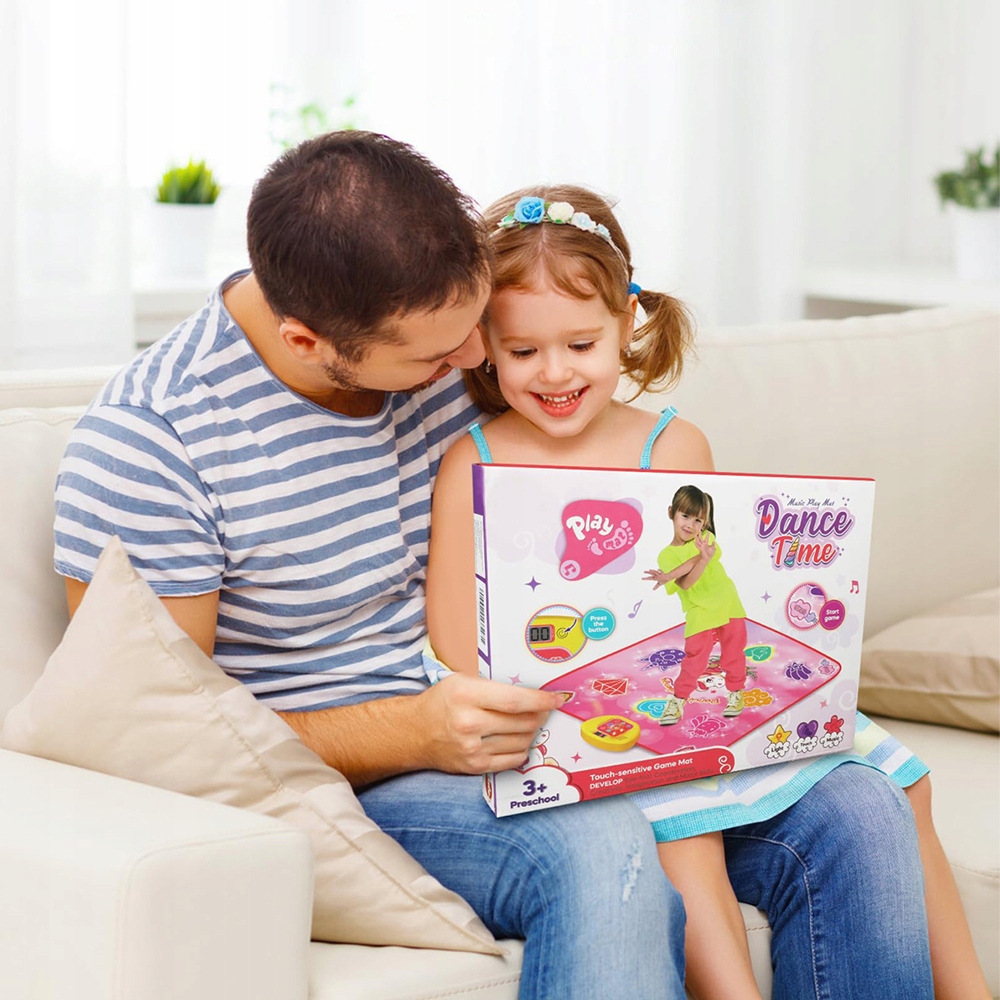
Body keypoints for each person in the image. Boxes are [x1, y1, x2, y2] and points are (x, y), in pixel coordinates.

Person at [52, 132, 688, 1000]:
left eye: (475, 331)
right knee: (597, 841)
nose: (473, 367)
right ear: (307, 340)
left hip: (547, 721)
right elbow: (161, 739)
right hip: (363, 784)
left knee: (850, 810)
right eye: (435, 357)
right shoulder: (154, 443)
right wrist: (412, 731)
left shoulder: (439, 324)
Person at [426, 184, 990, 1000]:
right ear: (485, 346)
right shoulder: (472, 459)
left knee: (906, 782)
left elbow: (713, 579)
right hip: (552, 707)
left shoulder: (672, 445)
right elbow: (453, 643)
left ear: (627, 322)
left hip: (686, 670)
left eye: (581, 343)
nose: (554, 372)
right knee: (683, 824)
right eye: (523, 352)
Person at [646, 484, 748, 726]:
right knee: (695, 657)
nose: (690, 525)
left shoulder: (706, 539)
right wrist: (694, 564)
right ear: (671, 512)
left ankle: (736, 692)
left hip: (727, 602)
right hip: (699, 610)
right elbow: (686, 583)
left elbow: (693, 561)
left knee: (733, 652)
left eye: (698, 520)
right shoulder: (666, 555)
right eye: (685, 516)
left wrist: (676, 572)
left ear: (705, 523)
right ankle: (678, 699)